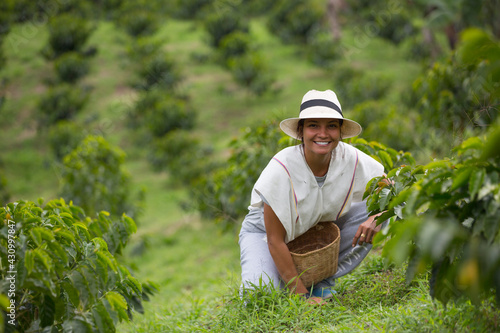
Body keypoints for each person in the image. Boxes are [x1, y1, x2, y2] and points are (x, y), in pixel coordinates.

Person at [238, 89, 386, 305]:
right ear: (301, 130)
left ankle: (320, 282)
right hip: (265, 233)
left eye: (332, 126)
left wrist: (377, 217)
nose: (323, 134)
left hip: (311, 226)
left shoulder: (349, 158)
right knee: (259, 299)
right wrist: (303, 299)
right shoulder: (282, 168)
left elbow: (388, 187)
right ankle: (299, 287)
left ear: (341, 131)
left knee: (375, 211)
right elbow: (274, 240)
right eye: (313, 125)